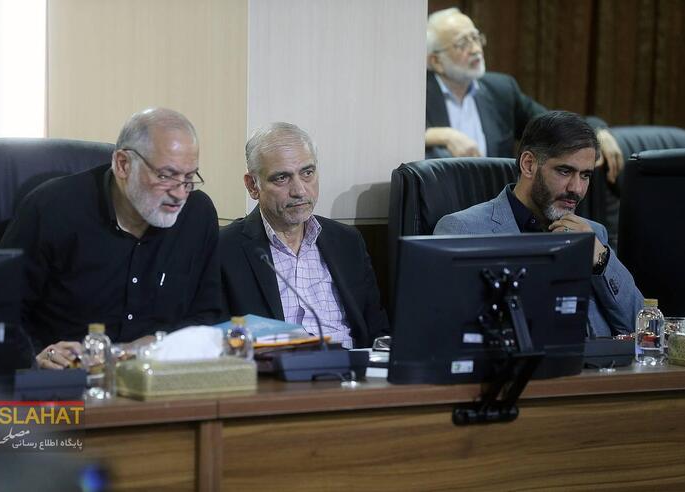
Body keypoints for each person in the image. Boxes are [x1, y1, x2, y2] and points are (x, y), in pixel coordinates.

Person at [0, 108, 222, 369]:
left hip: (160, 374)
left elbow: (208, 314)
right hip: (67, 377)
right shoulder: (51, 210)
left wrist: (157, 344)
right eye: (165, 176)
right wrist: (36, 356)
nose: (180, 194)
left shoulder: (197, 215)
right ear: (123, 164)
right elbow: (0, 313)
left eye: (188, 178)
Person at [434, 111, 643, 336]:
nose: (577, 189)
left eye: (585, 175)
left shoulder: (593, 234)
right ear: (529, 164)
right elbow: (448, 332)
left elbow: (641, 327)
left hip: (599, 359)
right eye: (565, 171)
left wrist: (601, 260)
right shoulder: (463, 231)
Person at [219, 122, 389, 349]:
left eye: (307, 173)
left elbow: (378, 331)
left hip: (352, 366)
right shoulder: (225, 249)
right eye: (282, 178)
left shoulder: (347, 241)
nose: (299, 191)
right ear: (252, 186)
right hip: (275, 368)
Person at [425, 8, 624, 184]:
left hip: (491, 203)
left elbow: (553, 126)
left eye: (476, 38)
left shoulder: (501, 90)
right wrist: (445, 135)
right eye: (462, 44)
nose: (476, 49)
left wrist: (596, 130)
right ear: (436, 61)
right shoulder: (417, 94)